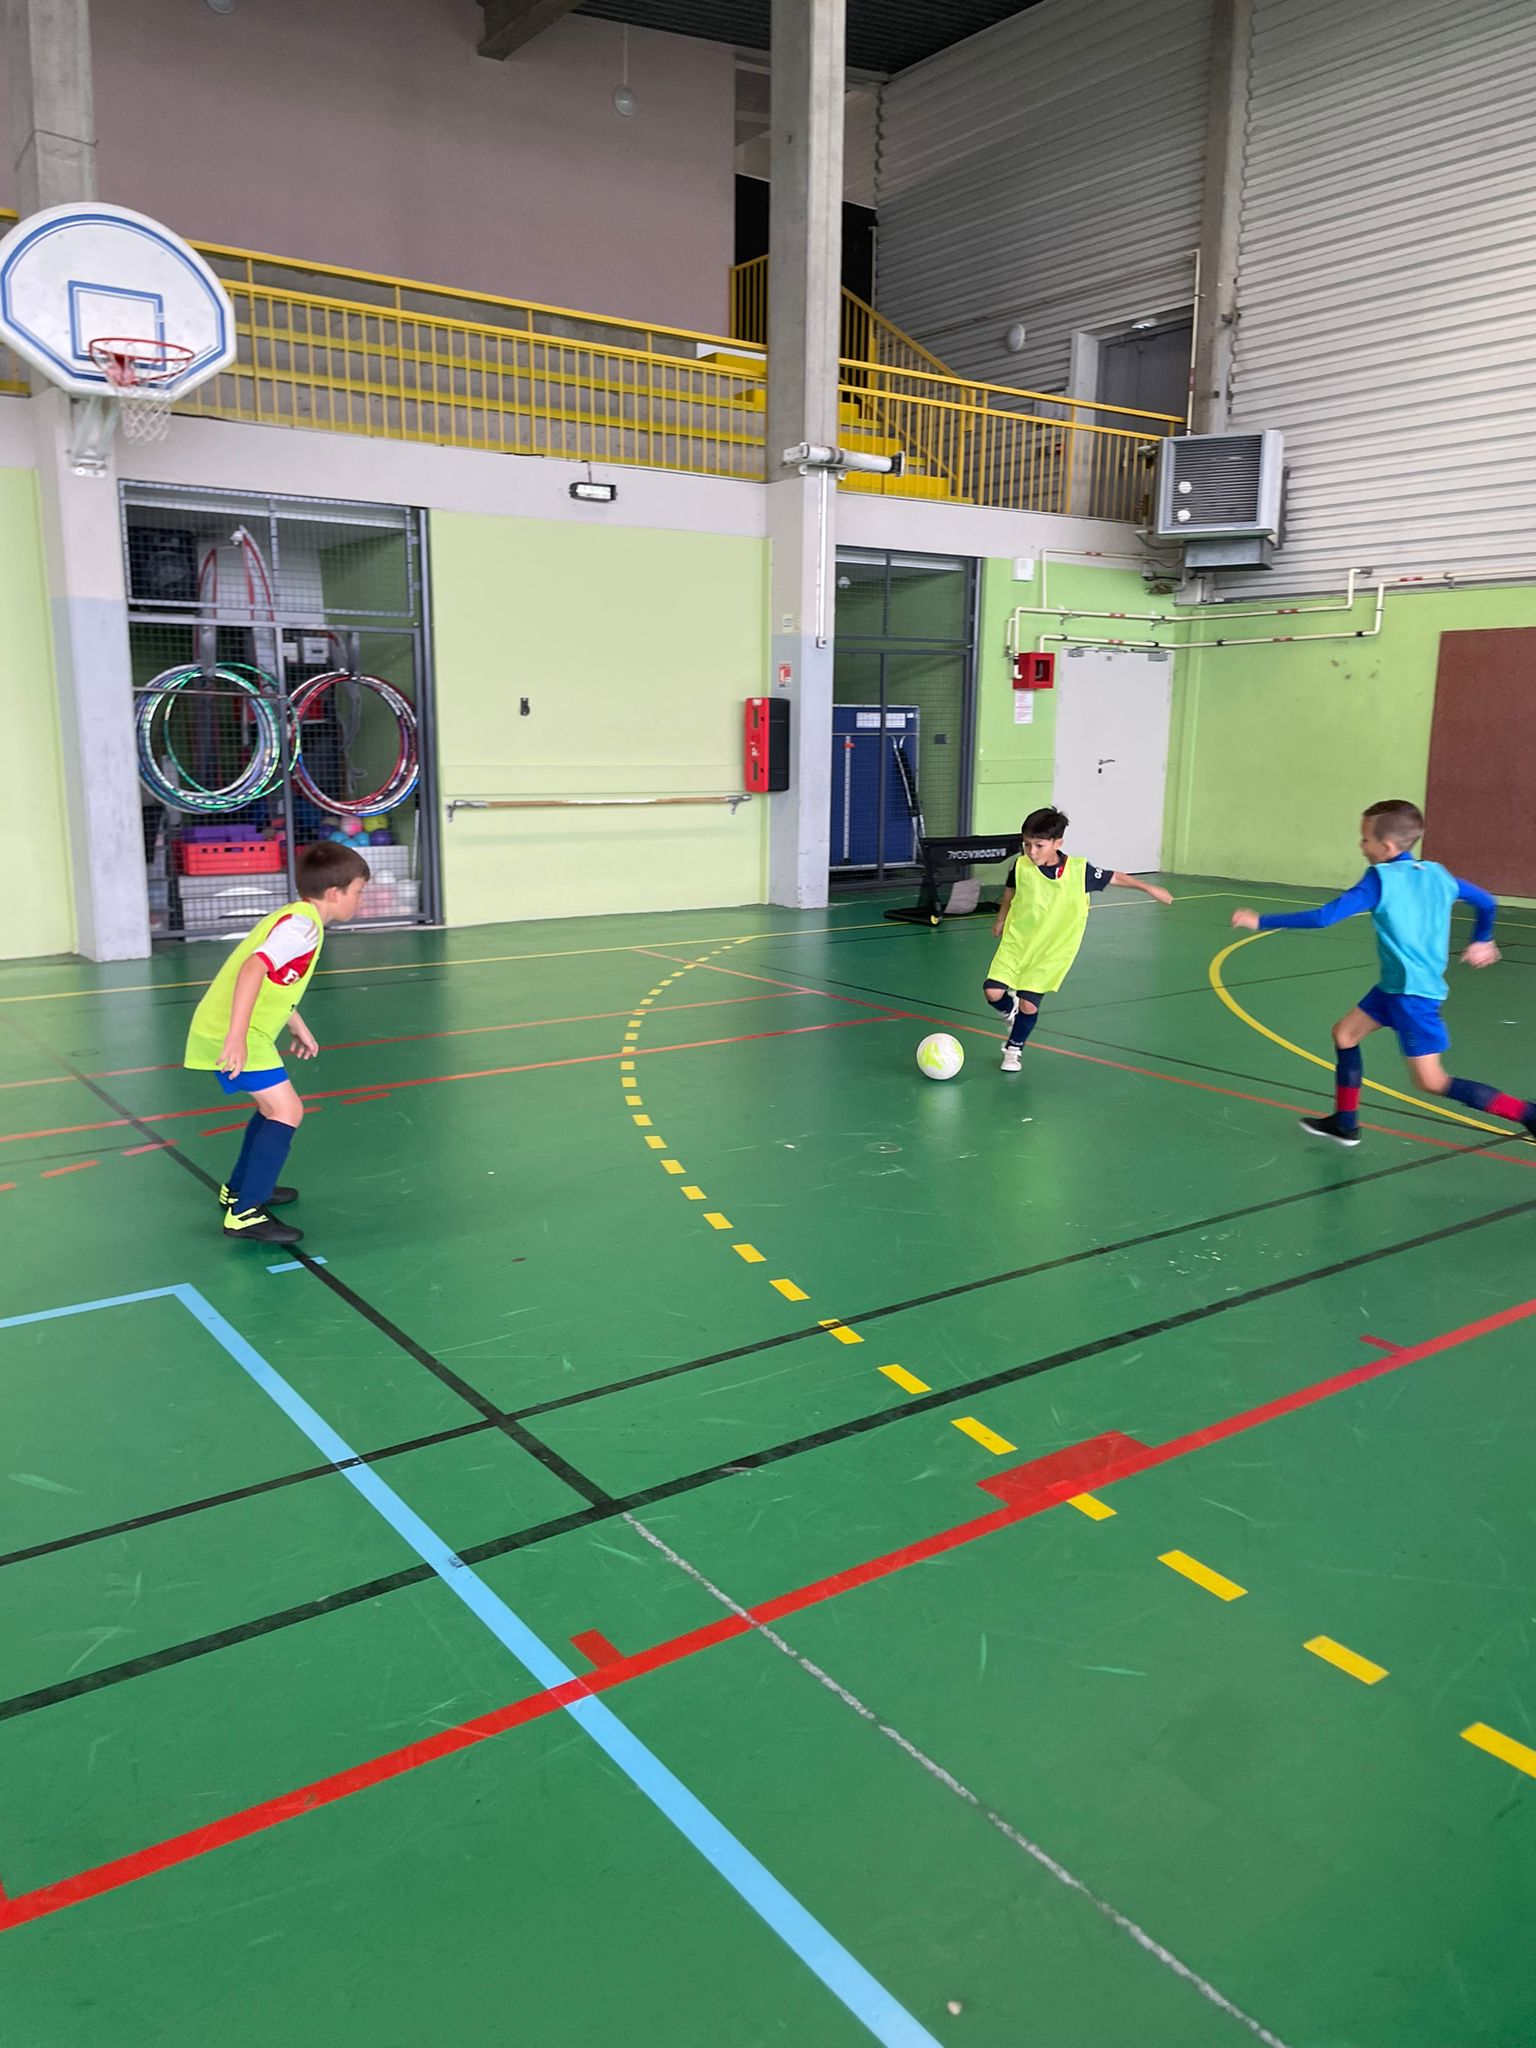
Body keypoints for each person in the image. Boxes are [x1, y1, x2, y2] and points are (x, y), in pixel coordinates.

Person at [1230, 798, 1536, 1148]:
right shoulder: (1438, 874)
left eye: (1365, 839)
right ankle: (1345, 1123)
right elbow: (1486, 901)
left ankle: (1528, 1113)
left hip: (1412, 996)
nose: (1361, 846)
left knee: (1432, 1081)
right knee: (1345, 1034)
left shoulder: (1380, 880)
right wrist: (1482, 938)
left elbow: (1324, 917)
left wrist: (1260, 920)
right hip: (1394, 987)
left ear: (1387, 847)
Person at [184, 842, 370, 1244]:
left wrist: (294, 1022)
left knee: (272, 1108)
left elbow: (277, 980)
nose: (361, 899)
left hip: (240, 1027)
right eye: (359, 891)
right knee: (287, 1110)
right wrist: (236, 1036)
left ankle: (240, 1190)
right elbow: (253, 969)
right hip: (234, 1030)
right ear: (334, 893)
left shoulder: (297, 917)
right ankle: (245, 1212)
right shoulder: (303, 928)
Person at [985, 806, 1173, 1071]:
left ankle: (1014, 1049)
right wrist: (1001, 918)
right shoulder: (1021, 866)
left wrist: (1149, 888)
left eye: (1039, 845)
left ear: (1058, 843)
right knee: (992, 992)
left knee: (1029, 1004)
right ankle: (1009, 1010)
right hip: (1017, 942)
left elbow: (1115, 877)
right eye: (1027, 844)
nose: (1032, 851)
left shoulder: (1078, 870)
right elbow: (1010, 892)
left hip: (1052, 951)